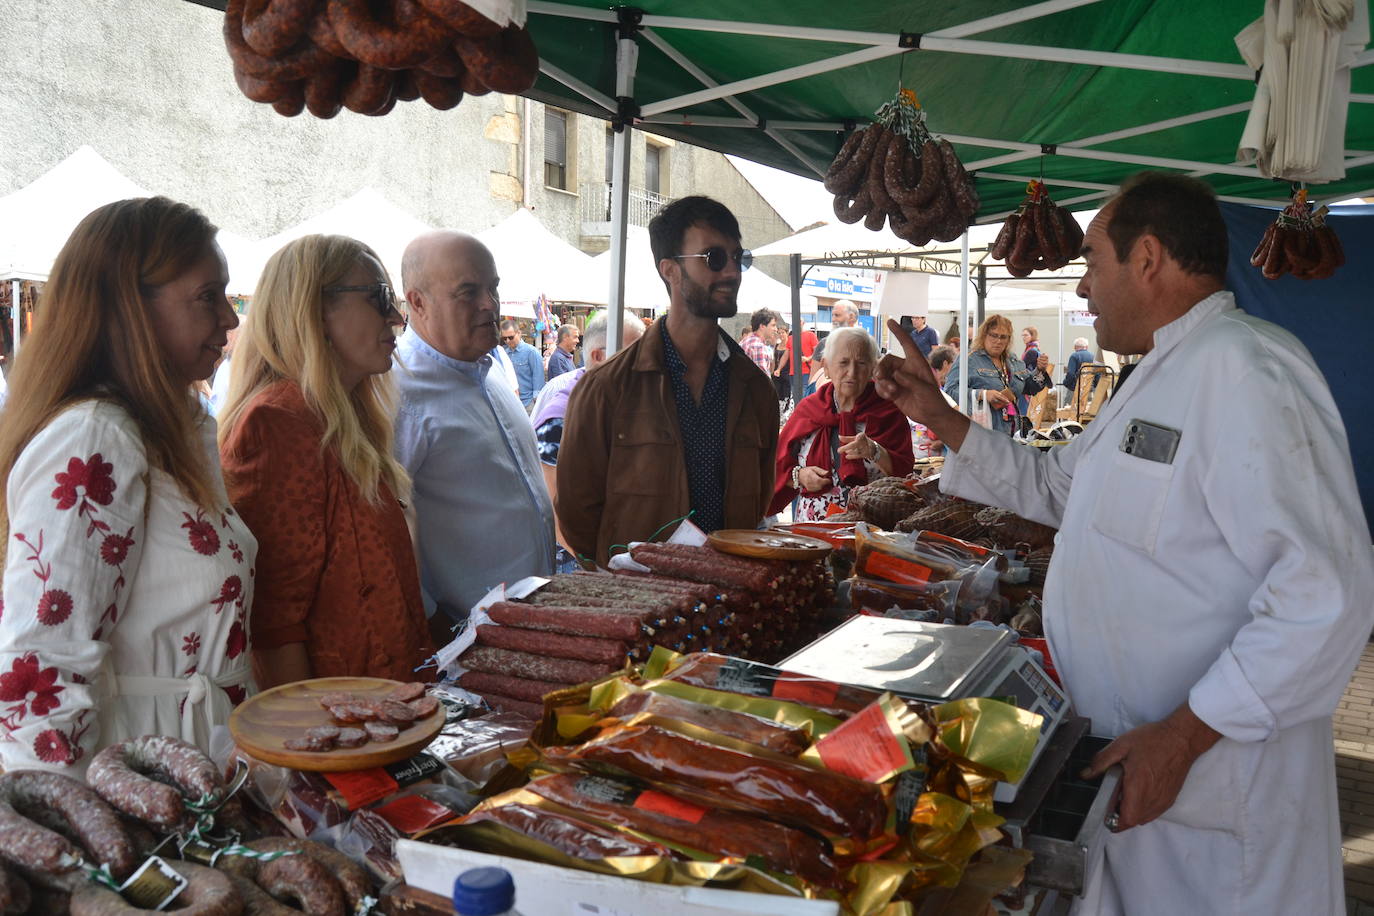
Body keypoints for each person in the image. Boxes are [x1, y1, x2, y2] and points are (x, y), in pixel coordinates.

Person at [872, 171, 1374, 915]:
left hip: (1216, 794)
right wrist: (939, 416)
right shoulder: (1157, 375)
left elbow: (1325, 598)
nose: (1082, 289)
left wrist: (1185, 734)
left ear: (1147, 259)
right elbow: (1054, 490)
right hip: (1138, 775)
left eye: (1092, 263)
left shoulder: (1250, 371)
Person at [0, 197, 254, 772]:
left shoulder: (172, 427)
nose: (230, 320)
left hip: (192, 760)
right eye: (207, 296)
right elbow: (43, 662)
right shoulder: (96, 437)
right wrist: (72, 838)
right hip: (143, 772)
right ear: (129, 309)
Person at [218, 235, 432, 687]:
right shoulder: (278, 422)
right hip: (339, 727)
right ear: (313, 311)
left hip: (383, 709)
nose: (396, 317)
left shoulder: (344, 416)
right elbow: (275, 627)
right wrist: (313, 747)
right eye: (379, 297)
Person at [557, 196, 778, 566]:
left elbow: (760, 498)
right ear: (669, 270)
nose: (732, 272)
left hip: (730, 602)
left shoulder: (755, 389)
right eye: (713, 258)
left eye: (739, 258)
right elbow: (578, 517)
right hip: (639, 605)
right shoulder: (607, 389)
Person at [396, 231, 555, 625]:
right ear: (418, 302)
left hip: (530, 616)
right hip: (465, 637)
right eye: (467, 291)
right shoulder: (399, 392)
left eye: (493, 288)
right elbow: (386, 537)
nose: (490, 304)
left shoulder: (488, 365)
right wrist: (431, 626)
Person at [530, 309, 643, 571]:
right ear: (598, 356)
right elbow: (555, 515)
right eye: (635, 356)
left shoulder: (613, 404)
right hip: (576, 566)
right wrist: (598, 570)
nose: (645, 365)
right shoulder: (561, 417)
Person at [770, 327, 914, 519]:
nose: (852, 372)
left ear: (873, 368)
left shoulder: (888, 412)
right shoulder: (809, 409)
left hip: (874, 527)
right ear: (827, 367)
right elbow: (776, 464)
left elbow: (905, 472)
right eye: (843, 363)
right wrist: (800, 476)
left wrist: (874, 451)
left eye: (861, 363)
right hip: (813, 530)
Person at [942, 314, 1028, 435]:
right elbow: (949, 391)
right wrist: (982, 394)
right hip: (982, 431)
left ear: (1008, 340)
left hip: (1012, 431)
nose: (998, 341)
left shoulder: (1012, 360)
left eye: (1003, 337)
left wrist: (1039, 371)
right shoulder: (969, 359)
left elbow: (1028, 387)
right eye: (994, 335)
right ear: (984, 335)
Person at [499, 319, 545, 408]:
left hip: (528, 403)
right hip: (509, 403)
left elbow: (538, 379)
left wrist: (536, 402)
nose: (508, 341)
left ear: (519, 333)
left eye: (511, 337)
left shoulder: (531, 352)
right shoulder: (503, 353)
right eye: (504, 338)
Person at [740, 308, 780, 375]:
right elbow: (762, 381)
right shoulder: (757, 346)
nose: (776, 329)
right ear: (762, 326)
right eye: (773, 325)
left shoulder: (749, 340)